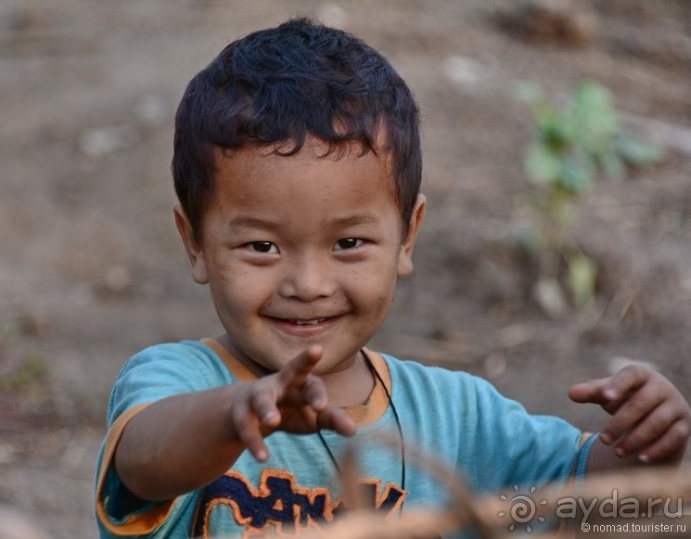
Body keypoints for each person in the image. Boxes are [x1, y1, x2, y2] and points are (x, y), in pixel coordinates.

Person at [95, 17, 690, 538]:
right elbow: (143, 462)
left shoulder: (458, 420)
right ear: (195, 243)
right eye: (262, 246)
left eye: (348, 243)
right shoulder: (179, 383)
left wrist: (644, 450)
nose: (308, 283)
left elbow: (594, 510)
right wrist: (236, 414)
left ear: (407, 235)